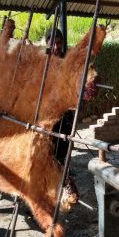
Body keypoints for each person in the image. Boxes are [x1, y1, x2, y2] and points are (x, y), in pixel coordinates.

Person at [46, 28, 74, 164]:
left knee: (65, 140)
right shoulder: (42, 61)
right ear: (47, 44)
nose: (56, 47)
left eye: (59, 43)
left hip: (66, 109)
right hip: (48, 111)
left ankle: (64, 170)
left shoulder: (68, 60)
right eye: (53, 44)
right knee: (49, 142)